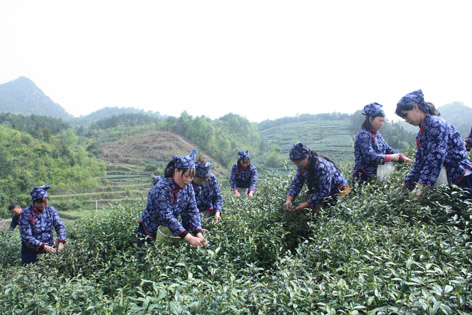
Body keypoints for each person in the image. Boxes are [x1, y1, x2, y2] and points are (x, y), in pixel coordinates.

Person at [394, 89, 472, 200]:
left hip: (460, 176)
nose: (406, 120)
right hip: (447, 178)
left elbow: (435, 156)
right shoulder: (421, 133)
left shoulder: (436, 124)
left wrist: (421, 185)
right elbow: (419, 162)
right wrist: (406, 184)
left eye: (406, 115)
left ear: (416, 107)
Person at [138, 148, 206, 251]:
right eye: (186, 176)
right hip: (150, 230)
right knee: (145, 258)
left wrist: (198, 233)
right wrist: (189, 237)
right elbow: (167, 216)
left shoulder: (188, 187)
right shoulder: (161, 189)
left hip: (168, 230)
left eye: (191, 177)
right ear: (176, 171)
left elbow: (192, 210)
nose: (188, 180)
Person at [353, 102, 412, 185]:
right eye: (379, 120)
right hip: (363, 177)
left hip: (376, 176)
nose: (382, 124)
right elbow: (370, 157)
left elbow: (388, 149)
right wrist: (391, 157)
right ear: (370, 119)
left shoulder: (377, 135)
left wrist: (401, 157)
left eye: (383, 121)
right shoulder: (363, 135)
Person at [284, 142, 350, 211]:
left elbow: (324, 191)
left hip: (341, 191)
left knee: (334, 213)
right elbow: (297, 183)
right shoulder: (302, 167)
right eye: (294, 162)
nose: (296, 165)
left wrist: (306, 204)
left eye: (298, 162)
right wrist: (289, 199)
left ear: (307, 157)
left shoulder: (321, 167)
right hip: (328, 192)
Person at [18, 184, 67, 265]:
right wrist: (43, 247)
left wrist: (61, 241)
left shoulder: (51, 210)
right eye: (39, 202)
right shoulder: (26, 214)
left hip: (50, 247)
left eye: (45, 201)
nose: (43, 205)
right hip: (32, 251)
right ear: (34, 201)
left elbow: (59, 226)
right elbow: (26, 236)